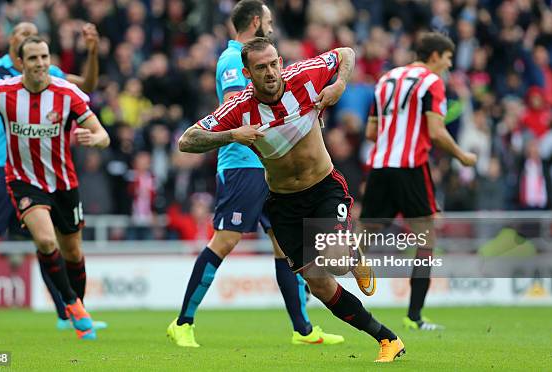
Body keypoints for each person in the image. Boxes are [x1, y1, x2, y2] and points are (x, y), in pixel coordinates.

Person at [178, 37, 404, 363]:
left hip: (324, 187)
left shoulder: (304, 76)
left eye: (273, 64)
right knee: (321, 285)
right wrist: (232, 135)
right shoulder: (239, 109)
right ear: (247, 72)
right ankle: (387, 339)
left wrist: (339, 85)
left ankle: (352, 254)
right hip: (283, 204)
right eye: (261, 68)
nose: (270, 72)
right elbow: (187, 140)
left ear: (281, 62)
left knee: (336, 260)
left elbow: (346, 54)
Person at [167, 0, 348, 348]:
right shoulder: (233, 59)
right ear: (255, 21)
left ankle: (304, 329)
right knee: (227, 239)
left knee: (284, 247)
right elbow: (243, 107)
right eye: (268, 19)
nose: (272, 24)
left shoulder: (250, 57)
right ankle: (183, 322)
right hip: (244, 164)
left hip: (268, 166)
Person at [0, 36, 110, 340]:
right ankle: (72, 305)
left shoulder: (66, 93)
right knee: (46, 242)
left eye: (45, 57)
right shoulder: (2, 92)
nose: (41, 64)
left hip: (63, 185)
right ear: (20, 63)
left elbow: (101, 133)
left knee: (72, 253)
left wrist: (95, 139)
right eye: (33, 58)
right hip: (23, 182)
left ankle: (77, 307)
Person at [361, 32, 477, 330]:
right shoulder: (431, 81)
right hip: (411, 166)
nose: (449, 65)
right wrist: (462, 156)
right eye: (448, 58)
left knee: (364, 237)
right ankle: (414, 316)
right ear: (435, 55)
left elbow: (372, 133)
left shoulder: (386, 79)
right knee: (426, 239)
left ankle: (313, 277)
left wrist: (395, 132)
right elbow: (436, 132)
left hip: (380, 166)